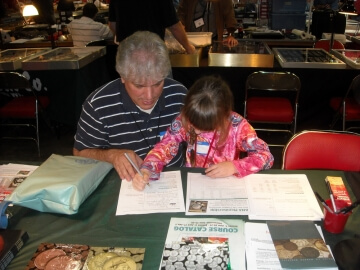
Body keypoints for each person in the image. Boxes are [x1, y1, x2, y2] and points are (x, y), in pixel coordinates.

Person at [73, 31, 188, 182]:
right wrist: (112, 155)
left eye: (158, 83)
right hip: (125, 186)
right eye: (139, 85)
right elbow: (79, 152)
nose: (149, 96)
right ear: (122, 76)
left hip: (174, 183)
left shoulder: (180, 95)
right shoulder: (98, 105)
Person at [132, 76, 274, 191]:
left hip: (225, 186)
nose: (197, 131)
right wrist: (148, 168)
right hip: (193, 183)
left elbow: (265, 156)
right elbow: (165, 145)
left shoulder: (237, 126)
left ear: (223, 116)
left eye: (205, 128)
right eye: (193, 125)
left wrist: (235, 166)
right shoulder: (184, 118)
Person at [108, 0, 195, 54]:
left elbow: (112, 24)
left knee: (129, 83)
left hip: (127, 52)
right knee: (161, 83)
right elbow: (174, 26)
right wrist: (188, 47)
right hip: (153, 52)